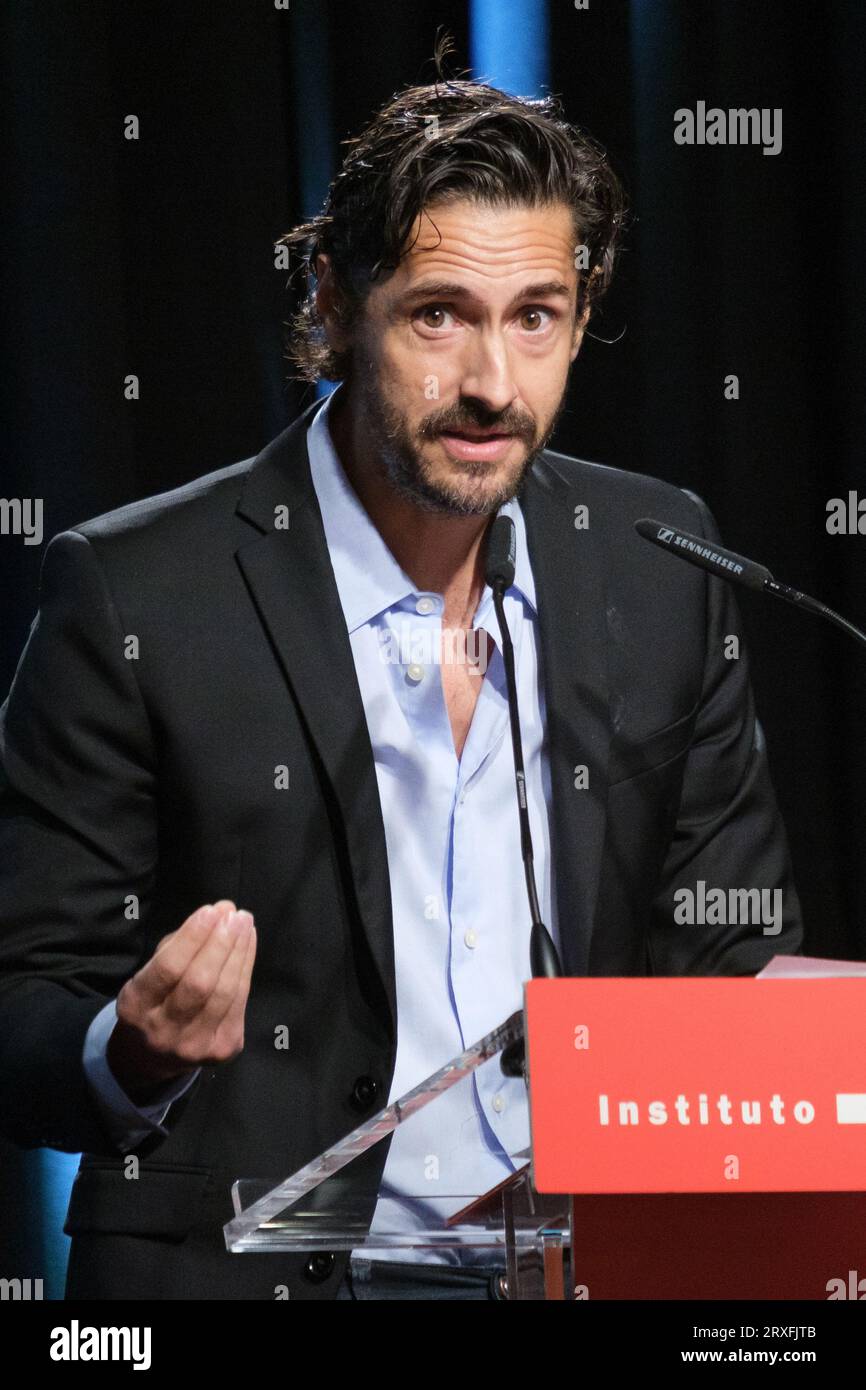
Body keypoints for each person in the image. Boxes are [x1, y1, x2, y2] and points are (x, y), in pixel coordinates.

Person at [0, 70, 802, 1302]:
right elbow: (22, 1004)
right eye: (439, 316)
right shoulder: (134, 592)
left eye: (535, 316)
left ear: (580, 320)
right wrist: (134, 1051)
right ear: (333, 304)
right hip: (254, 1272)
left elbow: (733, 955)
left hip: (579, 1271)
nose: (492, 381)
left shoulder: (655, 564)